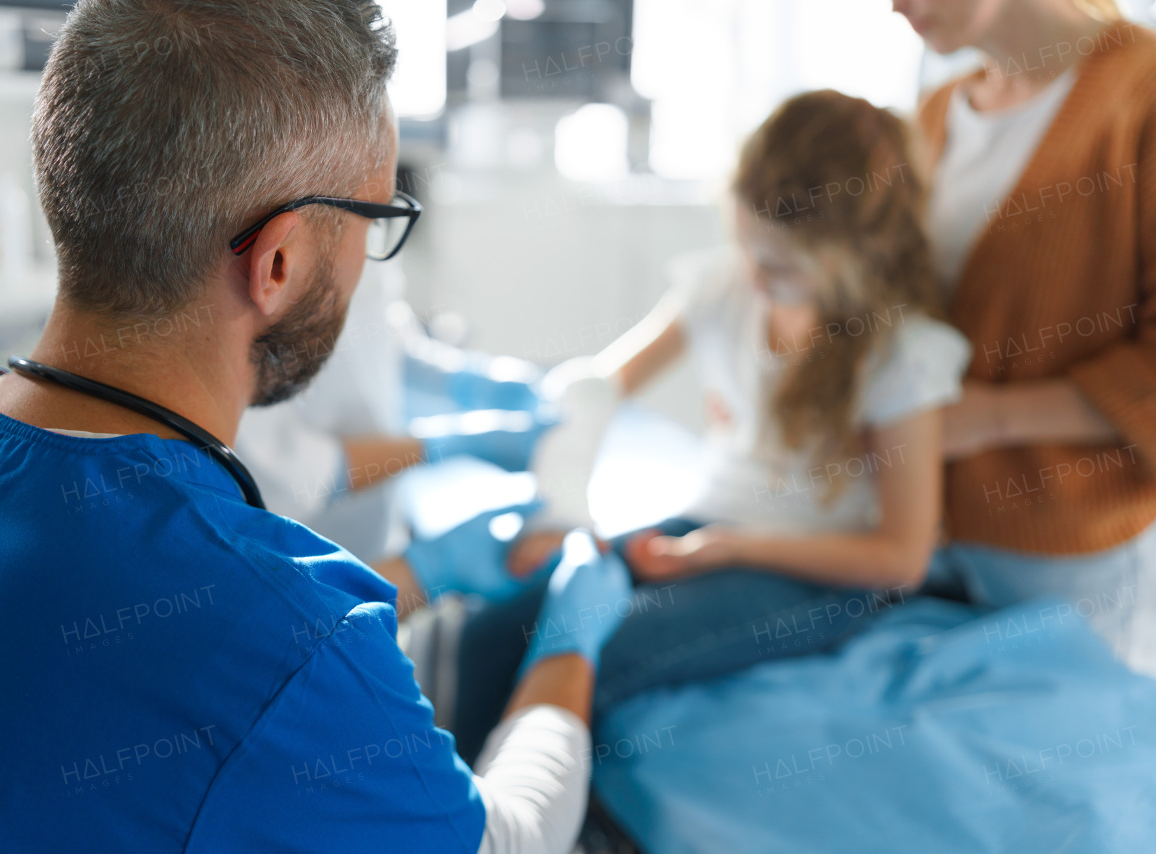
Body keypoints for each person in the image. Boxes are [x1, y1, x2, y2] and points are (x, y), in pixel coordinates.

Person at [0, 2, 632, 851]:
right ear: (276, 264)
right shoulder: (300, 654)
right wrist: (570, 635)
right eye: (374, 222)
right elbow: (509, 841)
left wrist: (421, 571)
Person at [450, 90, 973, 761]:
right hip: (708, 528)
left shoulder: (901, 358)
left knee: (585, 657)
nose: (754, 274)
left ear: (855, 256)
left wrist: (732, 548)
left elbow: (902, 557)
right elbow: (593, 392)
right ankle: (446, 816)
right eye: (746, 243)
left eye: (780, 265)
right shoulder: (725, 288)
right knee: (490, 635)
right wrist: (564, 514)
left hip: (823, 573)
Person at [893, 0, 1156, 663]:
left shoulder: (1141, 93)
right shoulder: (935, 113)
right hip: (915, 537)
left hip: (1064, 553)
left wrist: (986, 418)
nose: (893, 5)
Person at [235, 257, 551, 566]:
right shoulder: (243, 299)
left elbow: (382, 336)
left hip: (379, 541)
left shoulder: (370, 229)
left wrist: (479, 383)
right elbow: (292, 474)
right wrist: (440, 446)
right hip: (305, 559)